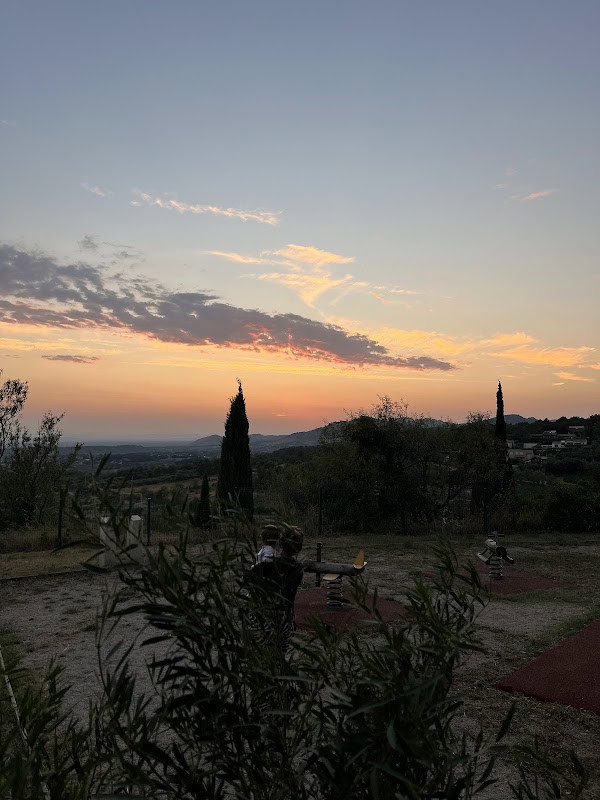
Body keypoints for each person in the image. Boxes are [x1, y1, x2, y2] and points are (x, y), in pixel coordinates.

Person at [249, 524, 304, 652]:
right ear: (298, 549)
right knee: (279, 656)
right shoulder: (297, 569)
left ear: (281, 542)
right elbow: (290, 598)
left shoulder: (265, 564)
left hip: (260, 618)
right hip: (283, 620)